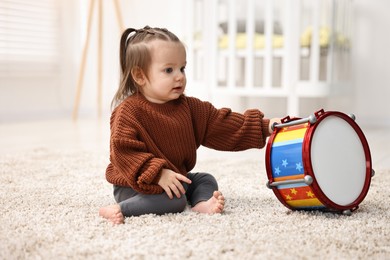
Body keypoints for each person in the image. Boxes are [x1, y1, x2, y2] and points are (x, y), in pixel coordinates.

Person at [99, 26, 280, 225]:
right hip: (134, 184)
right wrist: (158, 174)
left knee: (204, 179)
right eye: (169, 70)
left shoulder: (190, 107)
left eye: (182, 68)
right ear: (140, 76)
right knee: (173, 201)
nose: (179, 76)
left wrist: (266, 126)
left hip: (175, 177)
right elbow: (124, 152)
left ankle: (201, 203)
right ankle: (120, 208)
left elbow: (223, 124)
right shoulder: (129, 112)